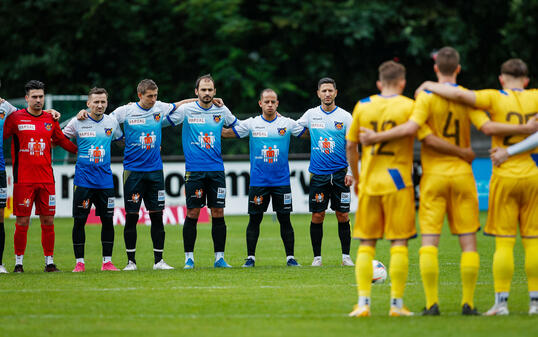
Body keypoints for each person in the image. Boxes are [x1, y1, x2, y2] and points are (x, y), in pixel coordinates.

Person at [414, 58, 538, 316]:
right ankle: (479, 304)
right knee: (524, 241)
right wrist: (525, 128)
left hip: (445, 175)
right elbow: (485, 125)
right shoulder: (534, 96)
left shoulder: (487, 97)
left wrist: (427, 86)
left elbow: (422, 131)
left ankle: (437, 303)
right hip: (514, 172)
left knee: (435, 241)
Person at [346, 61, 416, 317]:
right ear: (402, 83)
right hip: (398, 182)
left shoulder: (363, 105)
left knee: (366, 244)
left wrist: (357, 177)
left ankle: (363, 304)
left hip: (371, 182)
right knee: (399, 243)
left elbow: (351, 146)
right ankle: (396, 306)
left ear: (378, 83)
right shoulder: (409, 106)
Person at [223, 88, 306, 267]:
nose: (269, 105)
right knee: (255, 219)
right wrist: (209, 122)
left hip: (281, 182)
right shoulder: (251, 124)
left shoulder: (287, 123)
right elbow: (226, 133)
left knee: (285, 219)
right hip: (258, 182)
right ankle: (250, 258)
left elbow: (308, 134)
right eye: (266, 102)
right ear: (260, 103)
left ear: (277, 104)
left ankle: (290, 257)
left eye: (273, 102)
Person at [3, 80, 77, 273]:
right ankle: (18, 263)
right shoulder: (15, 118)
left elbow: (61, 140)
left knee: (48, 221)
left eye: (41, 96)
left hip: (47, 180)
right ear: (26, 98)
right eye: (34, 96)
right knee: (22, 222)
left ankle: (49, 263)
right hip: (23, 180)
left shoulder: (50, 119)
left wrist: (81, 151)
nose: (38, 100)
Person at [166, 74, 239, 269]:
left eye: (210, 90)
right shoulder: (187, 110)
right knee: (193, 212)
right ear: (196, 92)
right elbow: (165, 117)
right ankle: (189, 258)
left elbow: (237, 127)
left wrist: (224, 133)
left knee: (218, 211)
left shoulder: (221, 109)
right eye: (203, 90)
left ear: (215, 92)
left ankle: (219, 258)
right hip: (195, 171)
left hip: (216, 170)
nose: (207, 93)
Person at [63, 88, 123, 272]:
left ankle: (107, 262)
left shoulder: (112, 122)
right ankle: (79, 263)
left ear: (107, 103)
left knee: (107, 220)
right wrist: (75, 151)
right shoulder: (77, 121)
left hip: (105, 181)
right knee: (80, 221)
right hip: (83, 181)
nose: (99, 105)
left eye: (103, 102)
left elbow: (121, 141)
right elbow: (61, 138)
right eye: (96, 102)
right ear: (88, 103)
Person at [297, 78, 354, 267]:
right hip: (319, 174)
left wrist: (351, 171)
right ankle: (317, 258)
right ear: (318, 93)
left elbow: (353, 146)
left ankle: (346, 257)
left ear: (336, 93)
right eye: (324, 91)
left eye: (330, 90)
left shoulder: (346, 117)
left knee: (343, 215)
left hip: (340, 173)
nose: (327, 94)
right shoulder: (311, 115)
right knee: (317, 215)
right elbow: (294, 127)